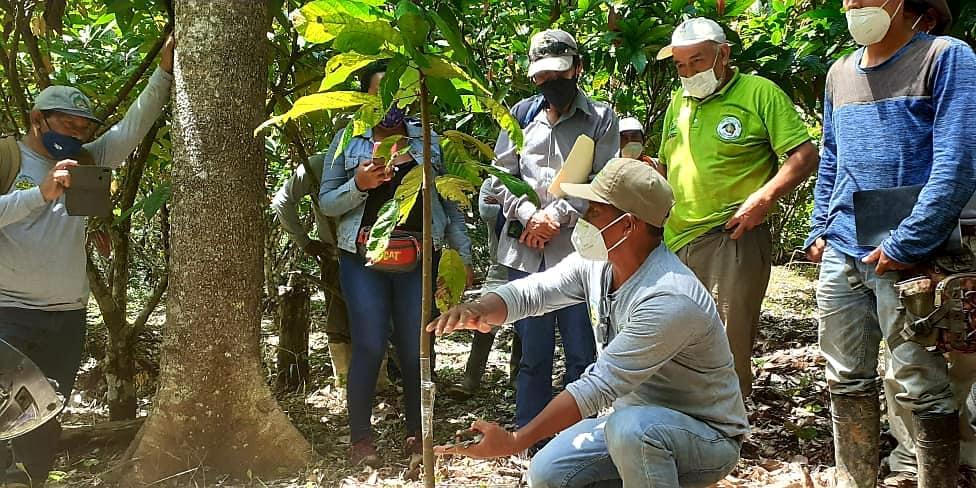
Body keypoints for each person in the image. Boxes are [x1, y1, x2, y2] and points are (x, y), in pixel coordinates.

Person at [428, 158, 749, 487]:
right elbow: (536, 291)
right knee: (549, 472)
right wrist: (479, 308)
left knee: (632, 431)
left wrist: (514, 441)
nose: (584, 218)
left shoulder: (668, 298)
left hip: (706, 437)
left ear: (628, 225)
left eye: (595, 212)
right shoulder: (597, 265)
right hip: (632, 422)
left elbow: (598, 386)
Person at [804, 0, 976, 485]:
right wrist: (819, 227)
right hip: (843, 248)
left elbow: (958, 162)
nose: (854, 6)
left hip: (911, 253)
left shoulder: (945, 56)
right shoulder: (840, 73)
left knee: (922, 384)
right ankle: (854, 478)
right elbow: (832, 158)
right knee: (845, 377)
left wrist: (907, 241)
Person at [0, 37, 174, 485]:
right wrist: (39, 194)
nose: (75, 135)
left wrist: (165, 71)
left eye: (82, 128)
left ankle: (31, 479)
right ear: (38, 120)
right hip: (8, 311)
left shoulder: (87, 159)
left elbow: (132, 129)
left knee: (46, 414)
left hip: (66, 315)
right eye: (66, 125)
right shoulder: (8, 156)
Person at [318, 61, 473, 467]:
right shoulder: (346, 141)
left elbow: (451, 205)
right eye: (381, 93)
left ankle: (417, 434)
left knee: (415, 347)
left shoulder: (430, 140)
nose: (392, 102)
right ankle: (360, 439)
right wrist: (360, 185)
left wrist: (463, 258)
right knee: (368, 345)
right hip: (362, 258)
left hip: (420, 257)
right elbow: (327, 202)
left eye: (399, 92)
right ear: (366, 99)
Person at [656, 17, 819, 398]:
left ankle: (725, 433)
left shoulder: (758, 93)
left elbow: (804, 154)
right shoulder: (678, 101)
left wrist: (764, 198)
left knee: (726, 341)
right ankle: (682, 428)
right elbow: (666, 163)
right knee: (674, 337)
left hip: (731, 235)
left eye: (696, 61)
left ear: (723, 53)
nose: (688, 72)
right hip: (675, 237)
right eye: (680, 65)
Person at [492, 28, 618, 430]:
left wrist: (556, 216)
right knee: (533, 352)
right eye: (542, 76)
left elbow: (604, 181)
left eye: (559, 73)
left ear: (577, 68)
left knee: (583, 351)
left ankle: (578, 435)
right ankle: (530, 433)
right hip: (527, 253)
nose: (551, 83)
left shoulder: (600, 118)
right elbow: (498, 175)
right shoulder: (520, 116)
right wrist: (529, 214)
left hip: (580, 252)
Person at [271, 154, 395, 390]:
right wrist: (304, 241)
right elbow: (282, 201)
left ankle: (376, 382)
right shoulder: (318, 165)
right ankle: (348, 381)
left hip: (375, 254)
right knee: (340, 321)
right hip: (337, 256)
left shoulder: (384, 163)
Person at [458, 177, 520, 394]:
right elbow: (487, 212)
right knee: (484, 321)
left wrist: (506, 203)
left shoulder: (533, 179)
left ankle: (518, 377)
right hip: (499, 264)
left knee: (526, 322)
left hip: (530, 260)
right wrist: (521, 205)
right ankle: (471, 380)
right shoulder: (491, 182)